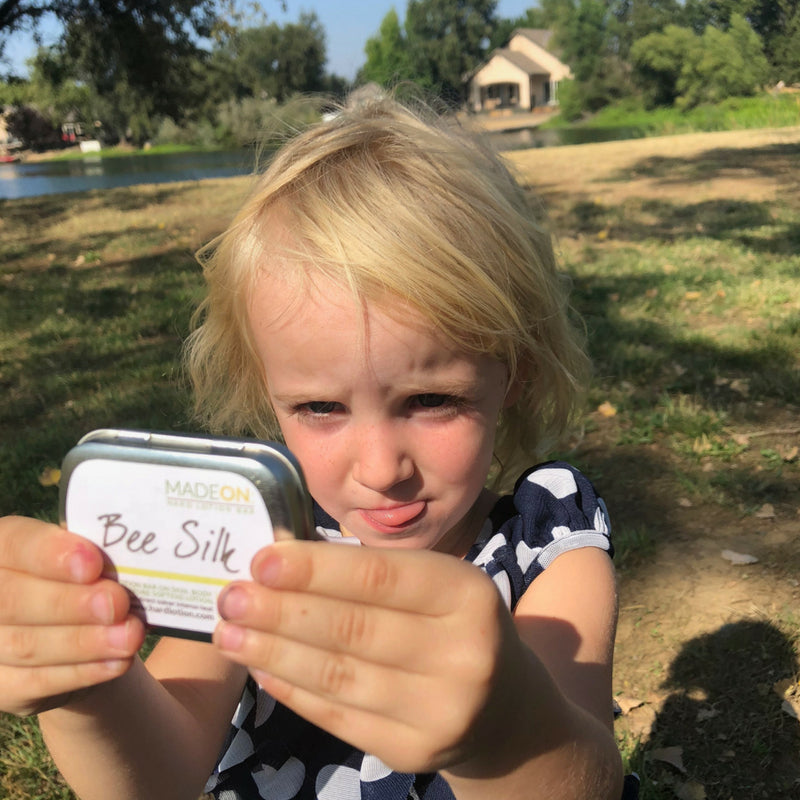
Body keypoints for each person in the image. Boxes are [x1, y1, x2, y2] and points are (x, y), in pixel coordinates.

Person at [0, 97, 634, 800]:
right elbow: (158, 779)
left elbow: (587, 783)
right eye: (321, 407)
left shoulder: (545, 547)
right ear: (267, 392)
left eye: (431, 401)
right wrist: (89, 687)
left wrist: (509, 732)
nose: (380, 470)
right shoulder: (253, 539)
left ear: (512, 371)